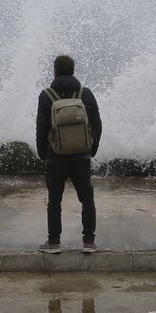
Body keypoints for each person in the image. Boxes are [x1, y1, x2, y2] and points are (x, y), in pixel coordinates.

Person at [35, 53, 102, 253]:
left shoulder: (46, 96)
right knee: (87, 199)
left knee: (55, 200)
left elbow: (41, 128)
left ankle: (54, 242)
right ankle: (89, 242)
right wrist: (91, 150)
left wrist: (43, 154)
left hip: (55, 157)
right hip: (81, 156)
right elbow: (97, 125)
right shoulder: (85, 93)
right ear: (73, 71)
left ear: (54, 71)